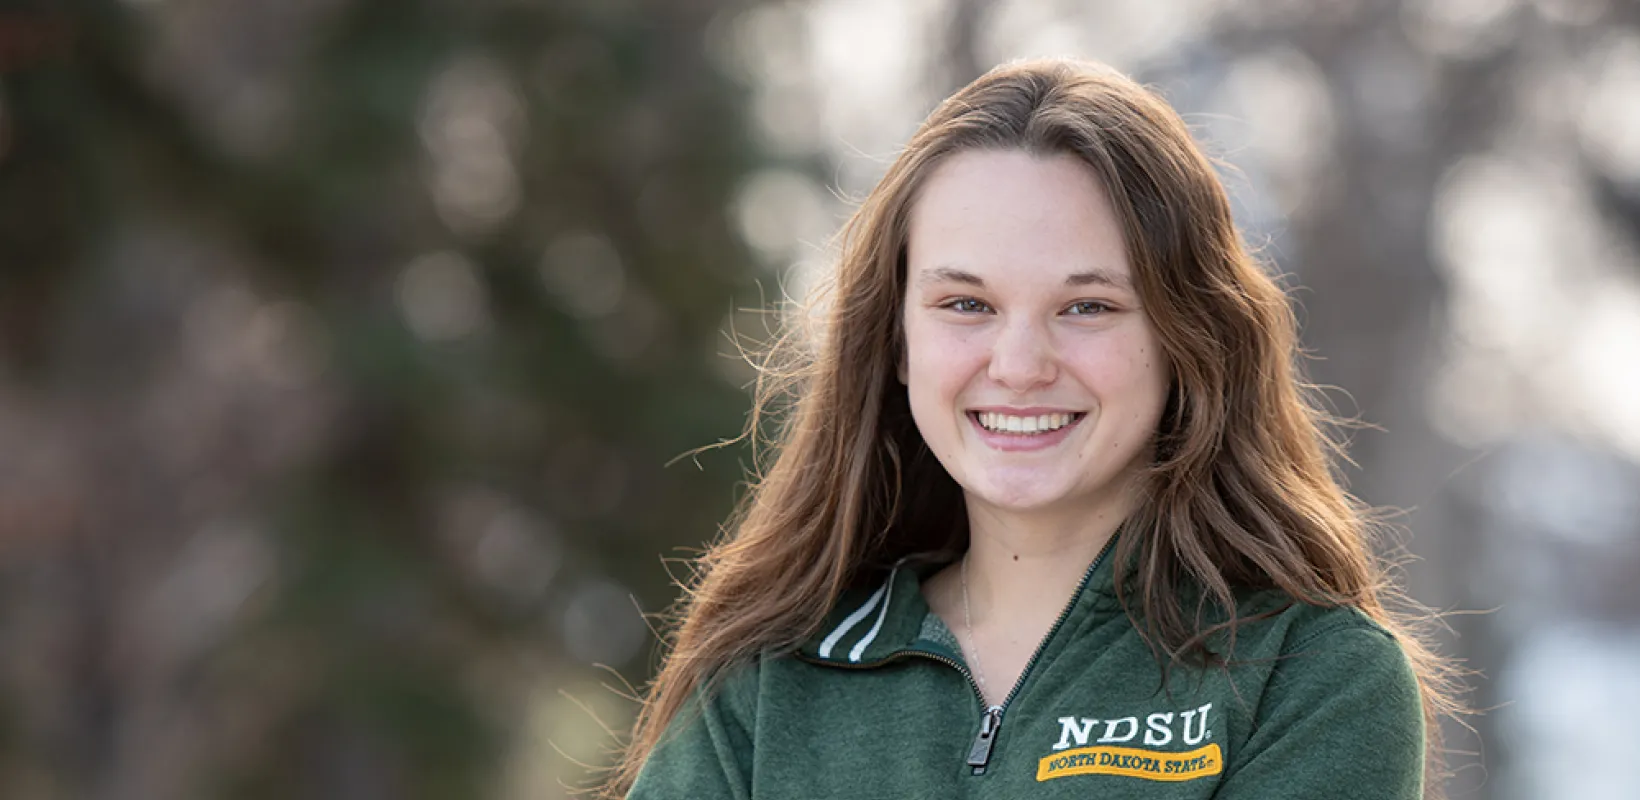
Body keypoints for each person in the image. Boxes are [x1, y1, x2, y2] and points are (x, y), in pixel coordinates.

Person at [605, 57, 1458, 799]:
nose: (1018, 363)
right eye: (965, 304)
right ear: (896, 342)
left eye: (1087, 306)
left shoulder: (1310, 681)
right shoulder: (768, 686)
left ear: (1186, 339)